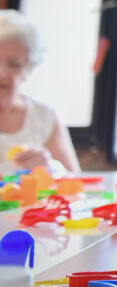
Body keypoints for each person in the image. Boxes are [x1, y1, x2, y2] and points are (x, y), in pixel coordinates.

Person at [0, 10, 80, 176]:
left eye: (14, 64)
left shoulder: (44, 115)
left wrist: (51, 168)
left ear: (29, 68)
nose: (2, 73)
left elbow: (75, 180)